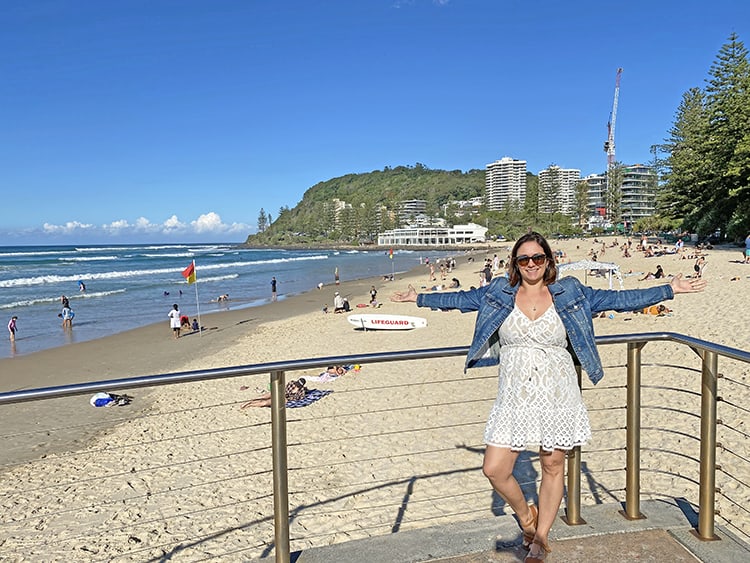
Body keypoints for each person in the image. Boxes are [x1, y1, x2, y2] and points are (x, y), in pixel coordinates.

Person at [391, 231, 705, 562]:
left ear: (548, 261)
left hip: (558, 392)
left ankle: (541, 536)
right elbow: (461, 300)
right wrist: (419, 298)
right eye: (523, 259)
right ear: (515, 263)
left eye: (537, 258)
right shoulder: (499, 291)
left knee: (552, 464)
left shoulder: (571, 292)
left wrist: (670, 289)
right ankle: (527, 517)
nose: (531, 264)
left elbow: (619, 299)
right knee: (495, 468)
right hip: (514, 395)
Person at [241, 378, 308, 408]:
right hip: (280, 392)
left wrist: (290, 396)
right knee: (262, 397)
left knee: (264, 402)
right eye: (297, 384)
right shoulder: (291, 383)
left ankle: (250, 405)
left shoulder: (301, 392)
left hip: (284, 399)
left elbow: (297, 399)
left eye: (298, 385)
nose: (296, 386)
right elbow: (284, 389)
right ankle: (248, 402)